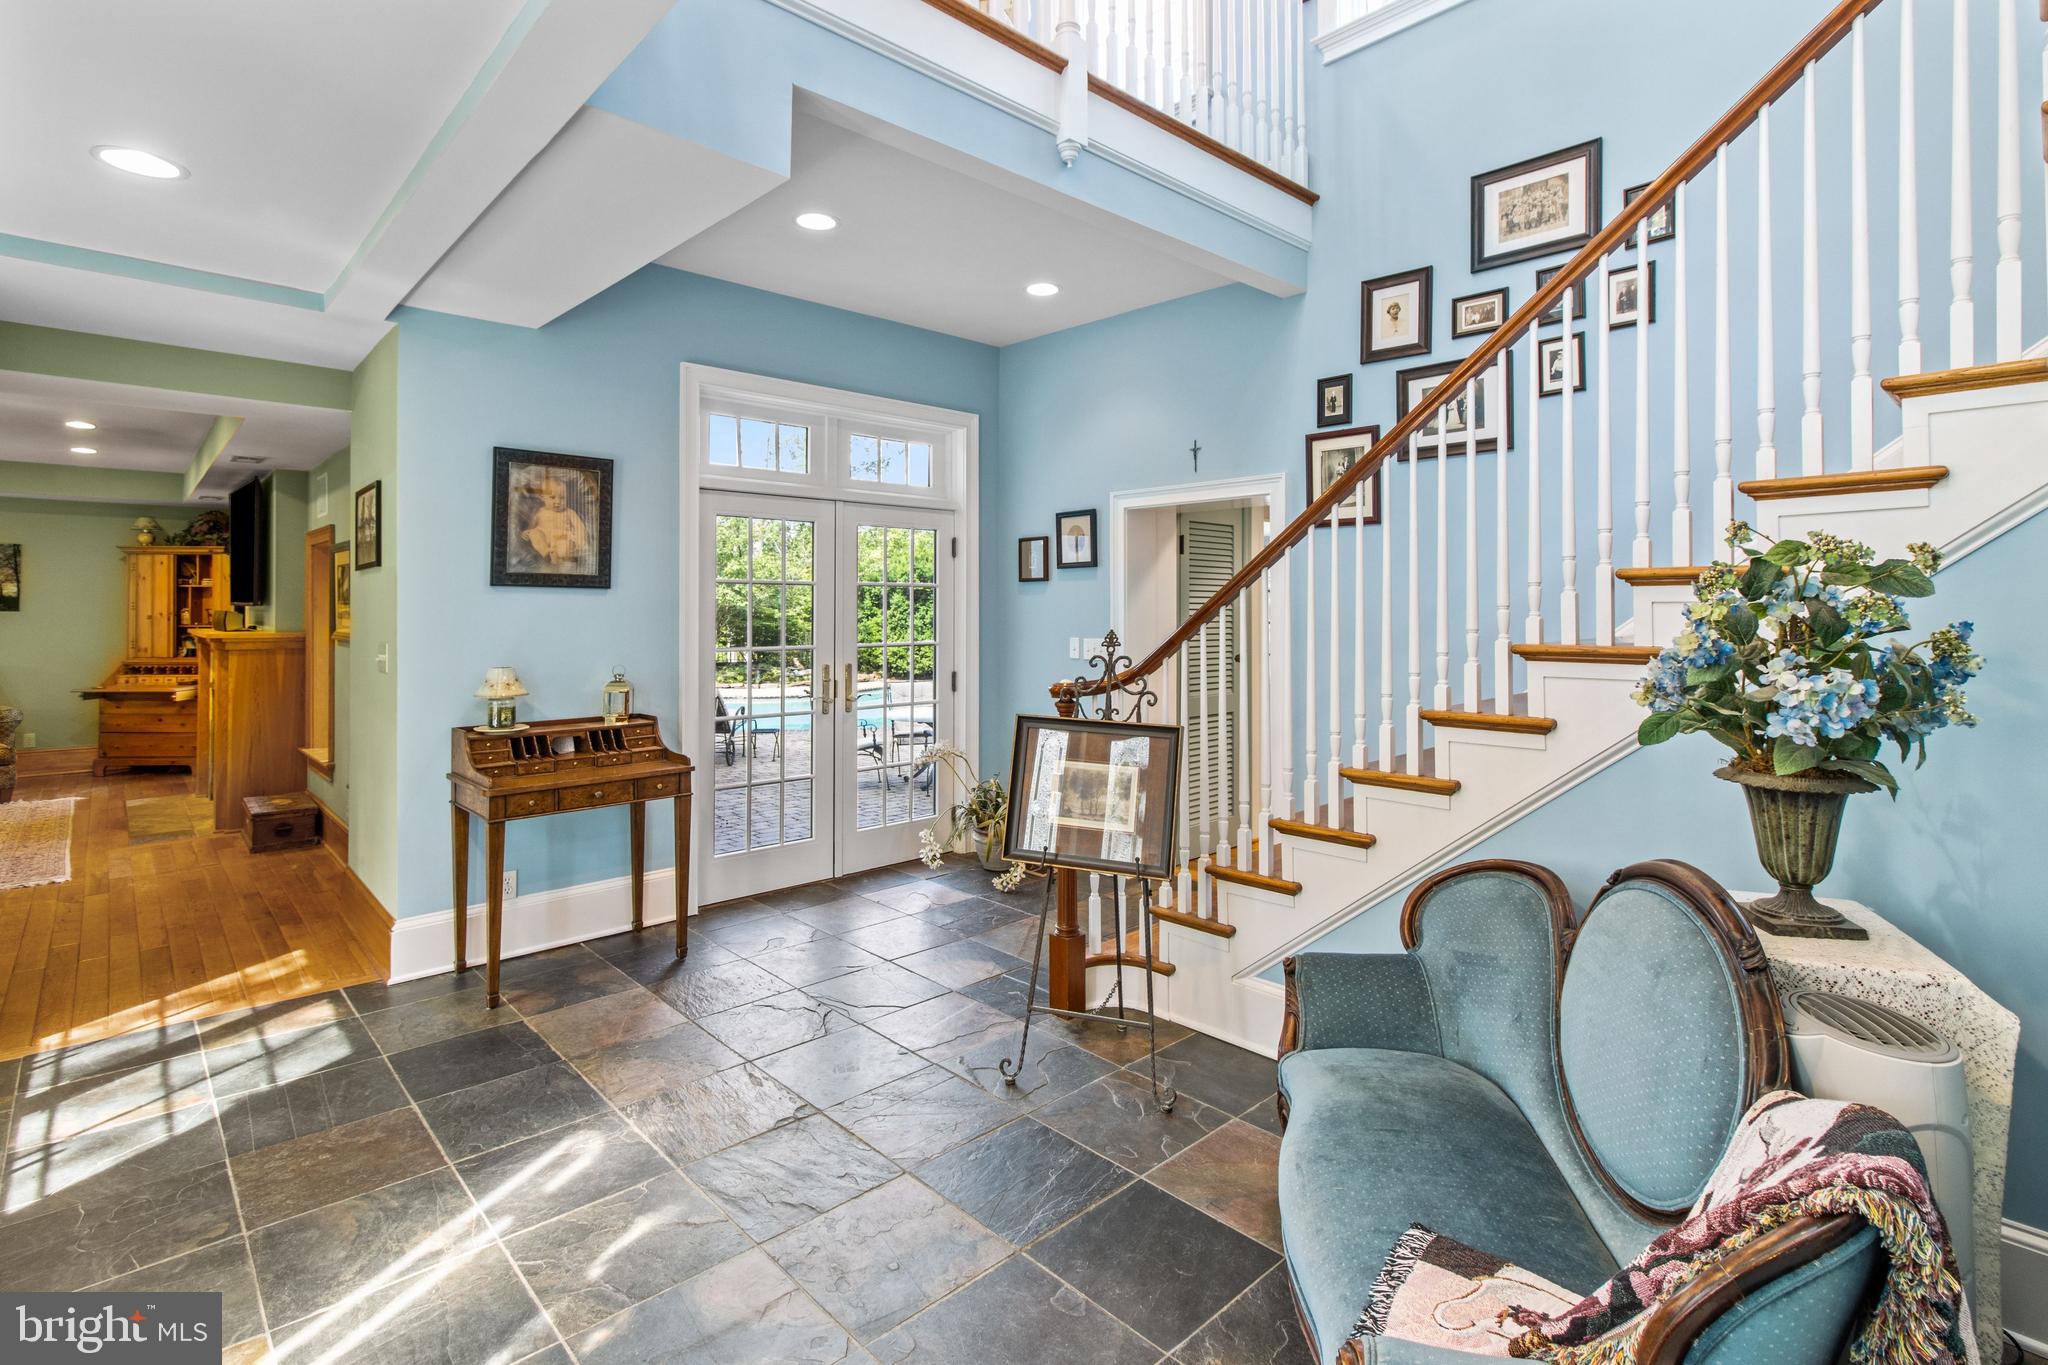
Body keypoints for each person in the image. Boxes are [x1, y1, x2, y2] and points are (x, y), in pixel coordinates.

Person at [520, 474, 590, 567]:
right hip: (544, 537)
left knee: (565, 544)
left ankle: (559, 557)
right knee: (534, 534)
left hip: (562, 537)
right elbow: (532, 526)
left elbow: (579, 527)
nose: (557, 502)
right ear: (543, 497)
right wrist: (527, 532)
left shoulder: (569, 512)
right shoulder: (540, 512)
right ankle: (547, 553)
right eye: (552, 497)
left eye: (562, 498)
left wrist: (580, 542)